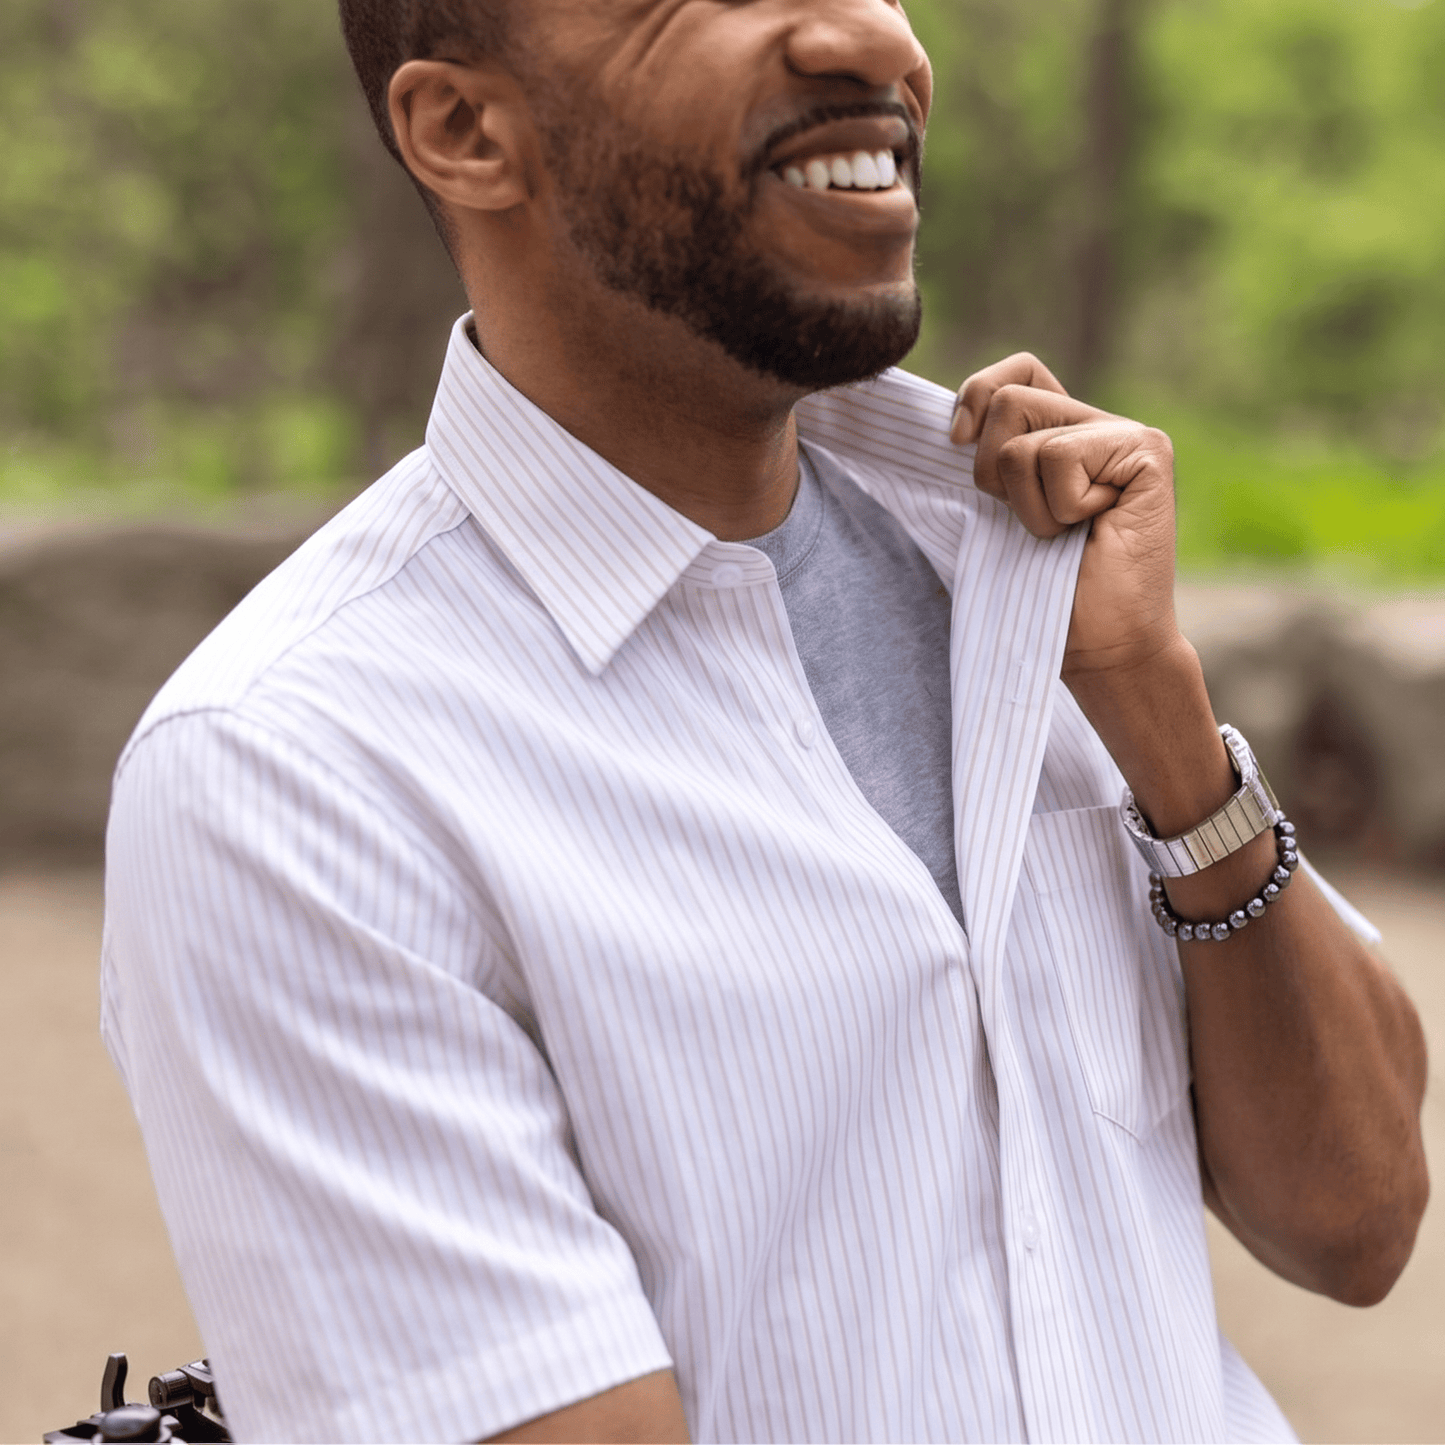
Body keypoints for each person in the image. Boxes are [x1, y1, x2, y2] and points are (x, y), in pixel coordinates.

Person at [101, 1, 1429, 1441]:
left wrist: (1166, 730)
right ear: (467, 132)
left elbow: (1357, 1220)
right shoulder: (293, 772)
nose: (870, 34)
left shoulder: (1024, 565)